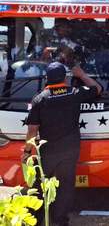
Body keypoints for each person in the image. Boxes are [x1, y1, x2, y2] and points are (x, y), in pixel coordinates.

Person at [22, 62, 102, 226]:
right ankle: (60, 221)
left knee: (40, 185)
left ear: (47, 79)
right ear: (65, 78)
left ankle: (37, 220)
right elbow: (97, 89)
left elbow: (32, 129)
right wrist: (81, 75)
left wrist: (27, 150)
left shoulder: (40, 99)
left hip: (47, 151)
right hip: (70, 150)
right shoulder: (74, 92)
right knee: (65, 187)